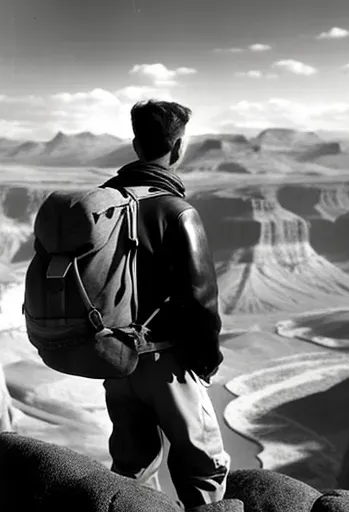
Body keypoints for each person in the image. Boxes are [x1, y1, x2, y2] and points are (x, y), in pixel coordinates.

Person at [100, 99, 230, 509]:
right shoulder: (177, 212)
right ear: (177, 149)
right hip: (166, 362)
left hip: (114, 360)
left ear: (137, 144)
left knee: (132, 468)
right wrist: (207, 361)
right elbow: (202, 300)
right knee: (203, 467)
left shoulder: (102, 203)